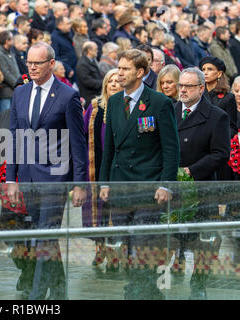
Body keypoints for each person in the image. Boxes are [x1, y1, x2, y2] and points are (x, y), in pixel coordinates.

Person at [6, 42, 87, 300]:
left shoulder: (67, 95)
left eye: (37, 62)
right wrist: (11, 178)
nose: (32, 67)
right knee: (45, 237)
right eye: (29, 62)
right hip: (28, 176)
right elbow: (15, 137)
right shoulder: (20, 93)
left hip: (56, 177)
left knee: (45, 237)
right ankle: (60, 290)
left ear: (51, 64)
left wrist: (79, 183)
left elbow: (78, 143)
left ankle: (37, 296)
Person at [99, 49, 180, 300]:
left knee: (145, 243)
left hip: (148, 185)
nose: (119, 73)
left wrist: (166, 185)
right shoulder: (113, 102)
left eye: (125, 69)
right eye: (119, 68)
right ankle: (142, 288)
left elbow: (170, 147)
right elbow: (108, 148)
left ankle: (140, 290)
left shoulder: (159, 102)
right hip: (121, 184)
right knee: (126, 243)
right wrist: (104, 183)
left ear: (141, 73)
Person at [174, 67, 230, 299]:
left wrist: (191, 171)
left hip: (201, 187)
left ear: (200, 88)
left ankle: (199, 283)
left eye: (188, 86)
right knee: (174, 236)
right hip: (173, 187)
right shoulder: (170, 110)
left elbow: (220, 154)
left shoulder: (217, 116)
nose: (183, 90)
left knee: (202, 241)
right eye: (181, 86)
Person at [82, 69, 122, 254]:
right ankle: (100, 247)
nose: (113, 84)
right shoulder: (95, 107)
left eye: (117, 81)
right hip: (96, 165)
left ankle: (114, 249)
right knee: (98, 207)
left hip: (118, 166)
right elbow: (82, 136)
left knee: (116, 207)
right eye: (110, 81)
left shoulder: (126, 105)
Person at [0, 30, 20, 114]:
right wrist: (18, 84)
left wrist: (23, 82)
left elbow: (16, 71)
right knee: (4, 118)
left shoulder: (10, 52)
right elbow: (6, 73)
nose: (13, 41)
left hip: (14, 90)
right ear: (7, 41)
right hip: (5, 92)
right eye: (12, 39)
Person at [76, 41, 103, 109]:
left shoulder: (92, 60)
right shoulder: (83, 64)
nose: (97, 51)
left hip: (96, 94)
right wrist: (103, 83)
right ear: (89, 50)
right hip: (89, 97)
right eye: (96, 49)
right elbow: (87, 81)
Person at [51, 16, 77, 82]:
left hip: (73, 69)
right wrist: (67, 69)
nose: (70, 26)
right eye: (68, 24)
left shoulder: (67, 34)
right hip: (66, 72)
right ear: (60, 25)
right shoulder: (54, 37)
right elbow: (55, 56)